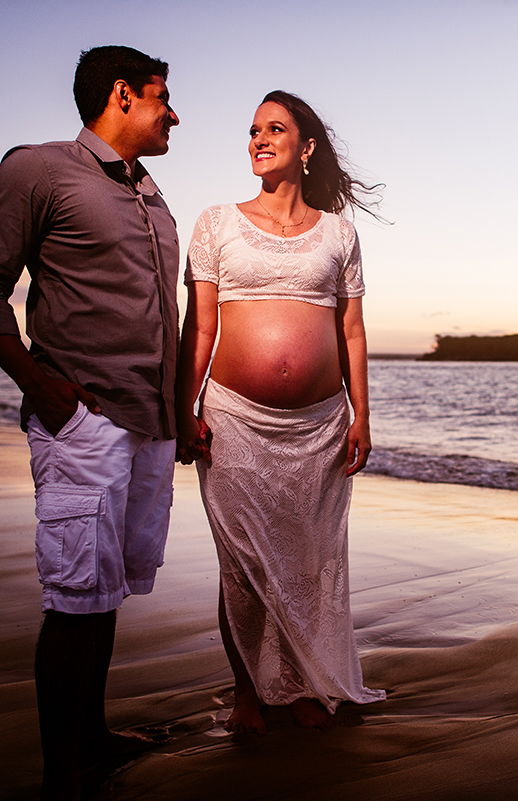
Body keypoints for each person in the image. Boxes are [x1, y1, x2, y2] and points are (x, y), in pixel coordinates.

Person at [0, 46, 181, 799]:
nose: (173, 113)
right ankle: (62, 776)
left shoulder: (152, 194)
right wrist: (41, 385)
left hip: (146, 424)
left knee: (105, 588)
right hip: (83, 419)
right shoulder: (39, 169)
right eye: (162, 98)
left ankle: (94, 737)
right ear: (121, 95)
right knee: (74, 593)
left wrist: (177, 412)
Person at [176, 90, 385, 734]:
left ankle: (294, 685)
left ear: (307, 146)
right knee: (242, 563)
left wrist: (361, 415)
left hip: (321, 425)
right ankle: (247, 692)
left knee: (307, 560)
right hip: (234, 417)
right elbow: (200, 327)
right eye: (253, 130)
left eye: (275, 129)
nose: (259, 140)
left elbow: (351, 330)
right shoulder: (216, 223)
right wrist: (184, 404)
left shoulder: (340, 234)